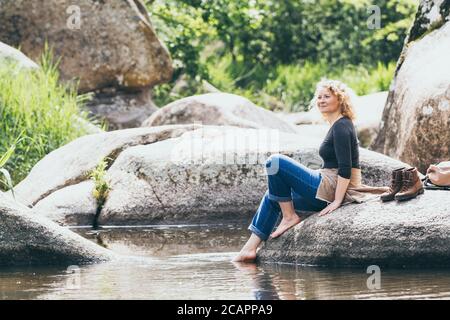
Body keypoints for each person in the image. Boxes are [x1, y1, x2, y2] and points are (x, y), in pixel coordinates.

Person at [233, 79, 388, 263]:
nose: (321, 100)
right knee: (272, 196)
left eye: (327, 96)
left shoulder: (342, 125)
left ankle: (290, 217)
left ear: (340, 99)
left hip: (332, 187)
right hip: (327, 185)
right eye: (319, 97)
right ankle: (250, 248)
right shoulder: (337, 125)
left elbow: (345, 168)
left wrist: (337, 201)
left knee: (274, 162)